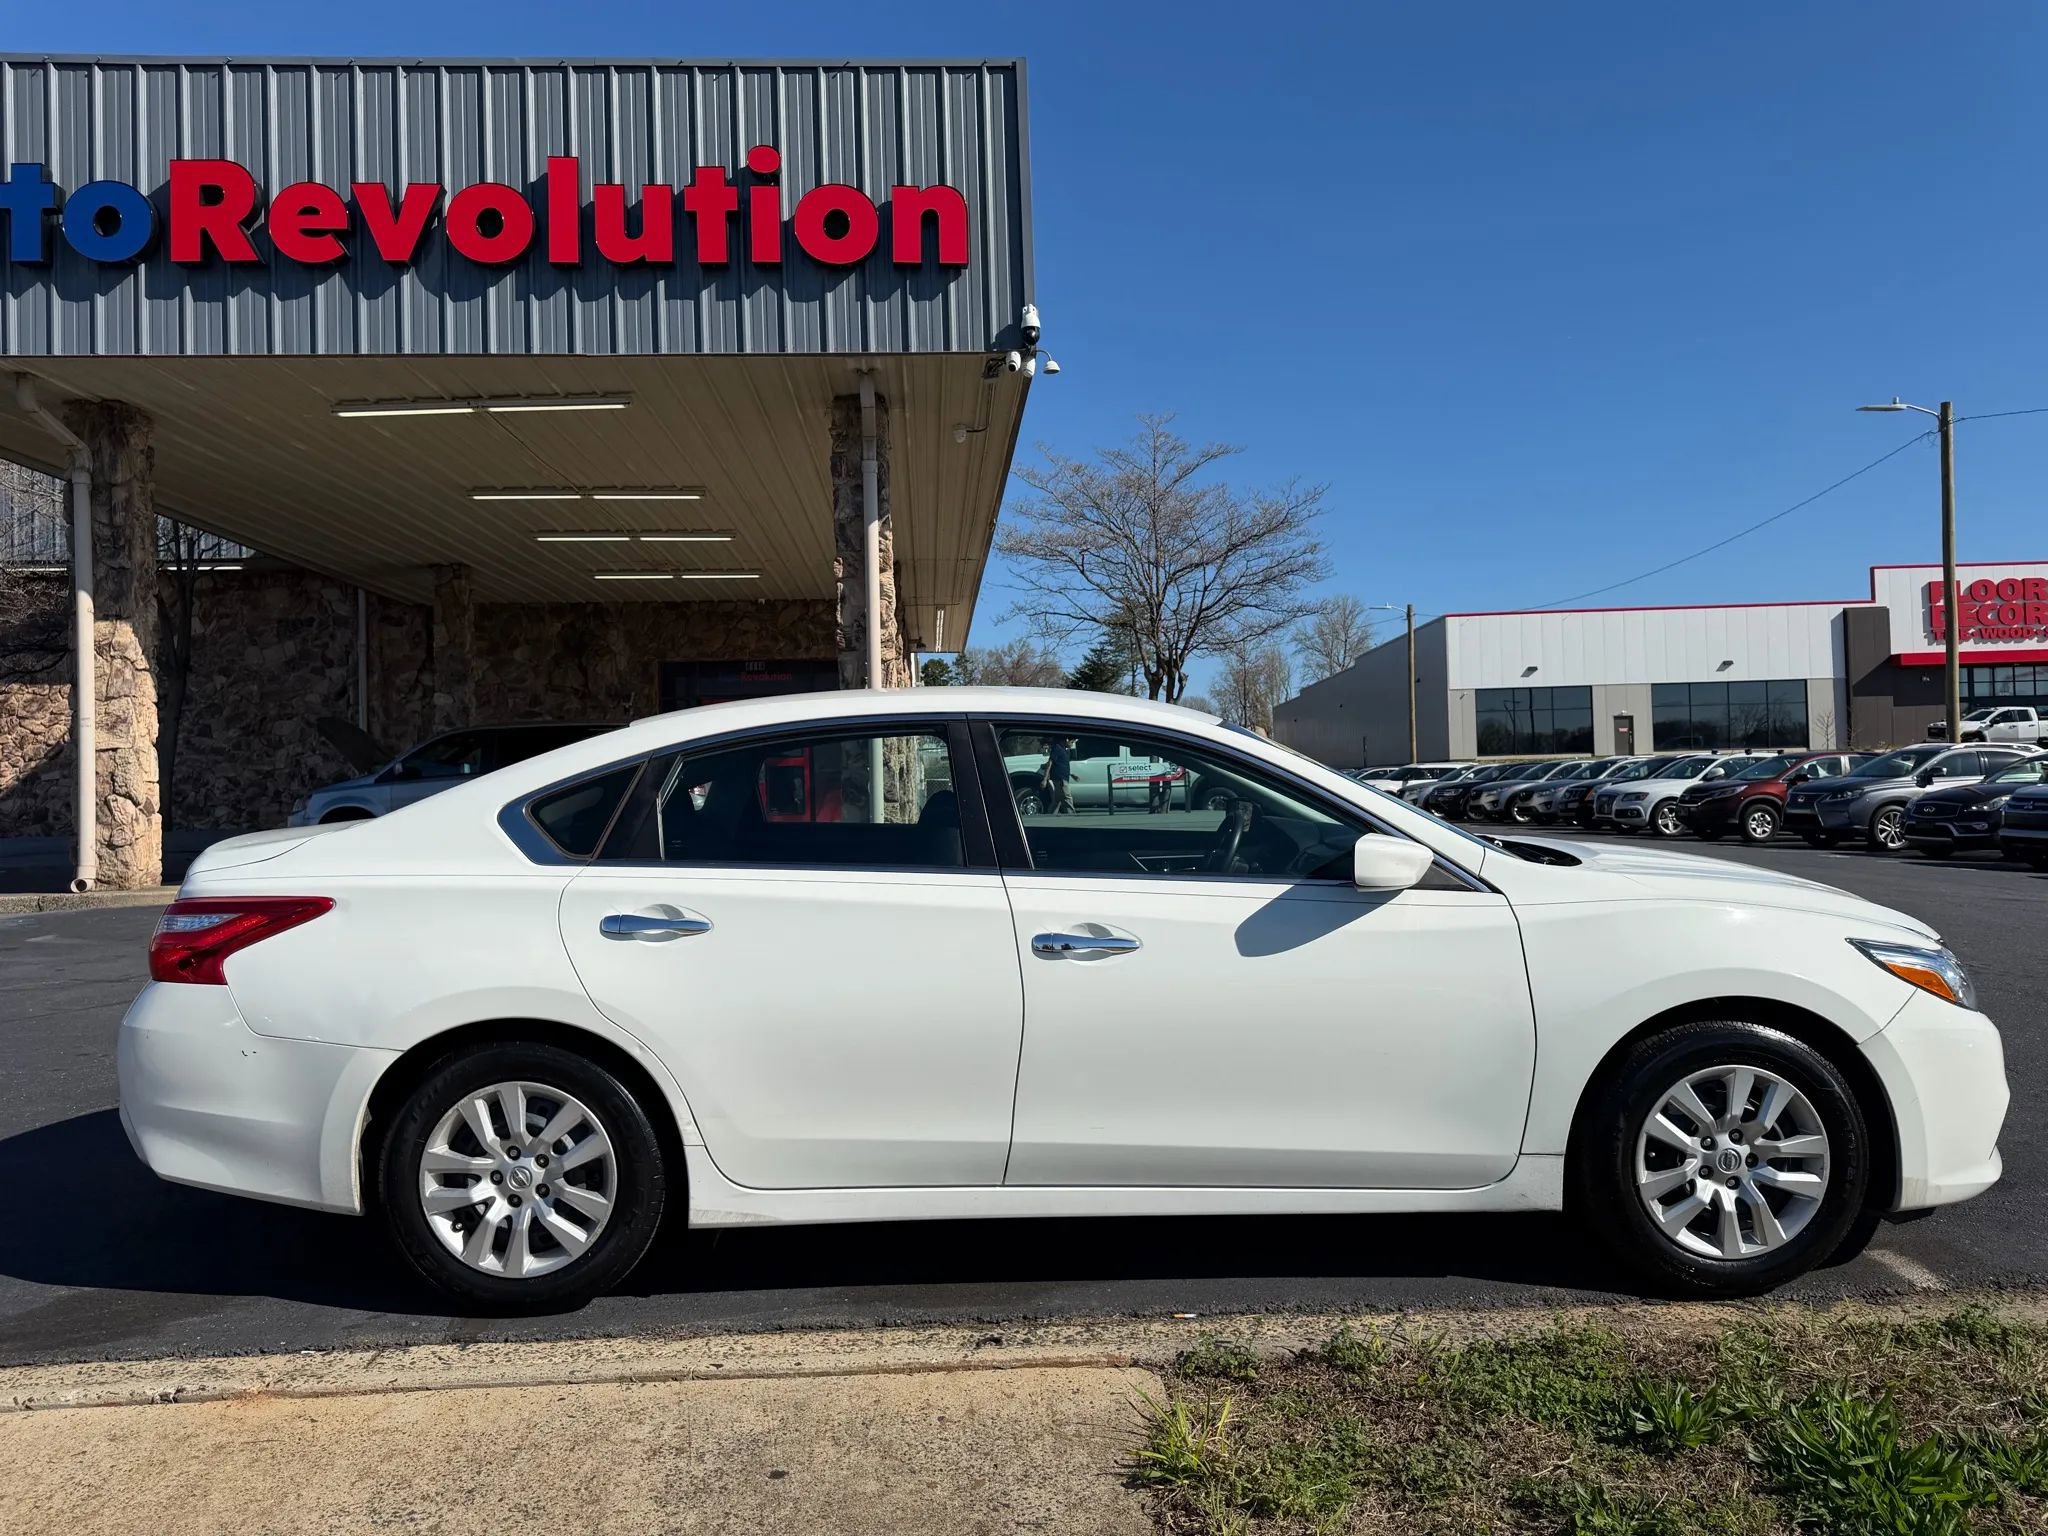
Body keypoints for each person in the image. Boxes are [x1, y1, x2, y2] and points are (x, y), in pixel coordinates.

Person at [1049, 737, 1076, 814]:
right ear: (1067, 740)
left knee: (1057, 800)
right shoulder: (1057, 748)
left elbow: (1062, 765)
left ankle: (1051, 815)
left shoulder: (1064, 750)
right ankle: (1072, 814)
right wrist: (1045, 779)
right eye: (1072, 742)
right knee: (1067, 797)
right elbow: (1050, 763)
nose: (1072, 744)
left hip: (1063, 777)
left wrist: (1071, 775)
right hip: (1061, 778)